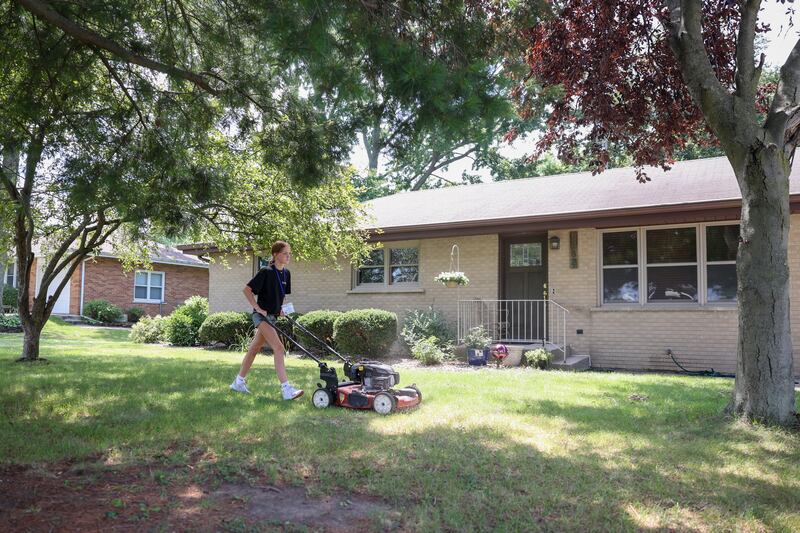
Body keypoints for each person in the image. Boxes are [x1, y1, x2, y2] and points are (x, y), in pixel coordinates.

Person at [230, 240, 304, 400]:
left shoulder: (286, 274)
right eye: (285, 253)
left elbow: (281, 295)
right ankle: (286, 389)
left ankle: (238, 382)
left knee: (254, 348)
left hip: (273, 316)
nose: (288, 256)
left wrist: (281, 309)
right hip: (261, 317)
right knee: (278, 347)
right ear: (276, 254)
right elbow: (247, 290)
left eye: (289, 253)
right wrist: (257, 308)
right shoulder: (266, 271)